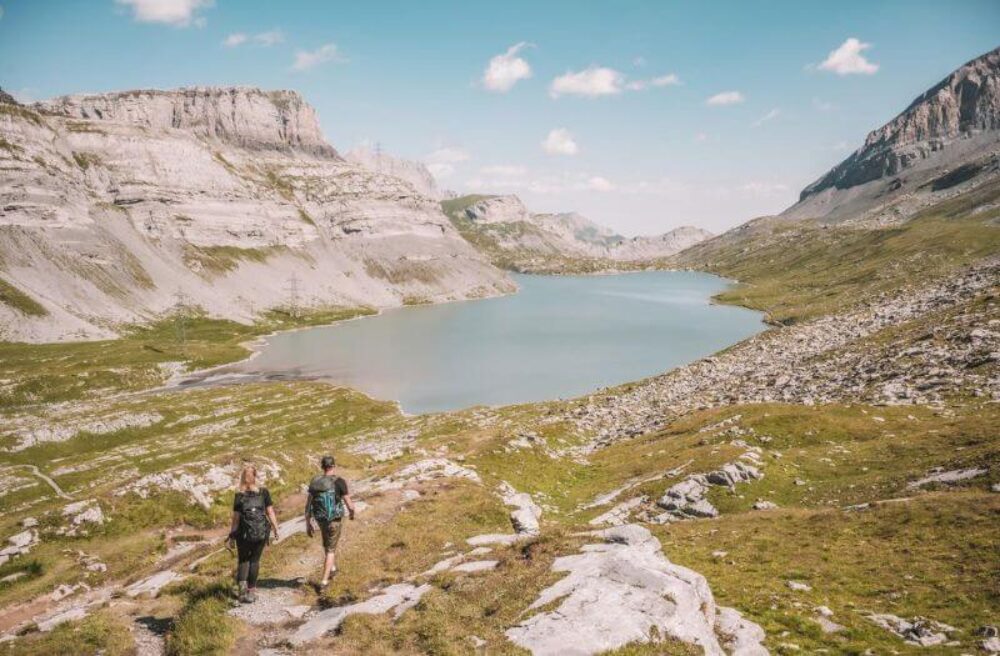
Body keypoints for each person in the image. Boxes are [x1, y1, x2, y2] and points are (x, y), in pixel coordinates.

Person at [228, 464, 280, 603]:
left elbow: (236, 519)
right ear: (256, 476)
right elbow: (270, 512)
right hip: (261, 532)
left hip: (243, 534)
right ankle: (252, 592)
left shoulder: (239, 495)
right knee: (255, 561)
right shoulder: (264, 492)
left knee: (243, 560)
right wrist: (275, 528)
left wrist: (232, 536)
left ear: (243, 478)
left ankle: (242, 592)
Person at [305, 455, 356, 587]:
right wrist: (351, 513)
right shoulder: (339, 481)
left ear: (322, 467)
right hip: (334, 519)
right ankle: (324, 581)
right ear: (333, 466)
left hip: (320, 519)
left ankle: (332, 568)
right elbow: (349, 503)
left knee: (326, 543)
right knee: (330, 550)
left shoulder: (315, 482)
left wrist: (308, 523)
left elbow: (308, 504)